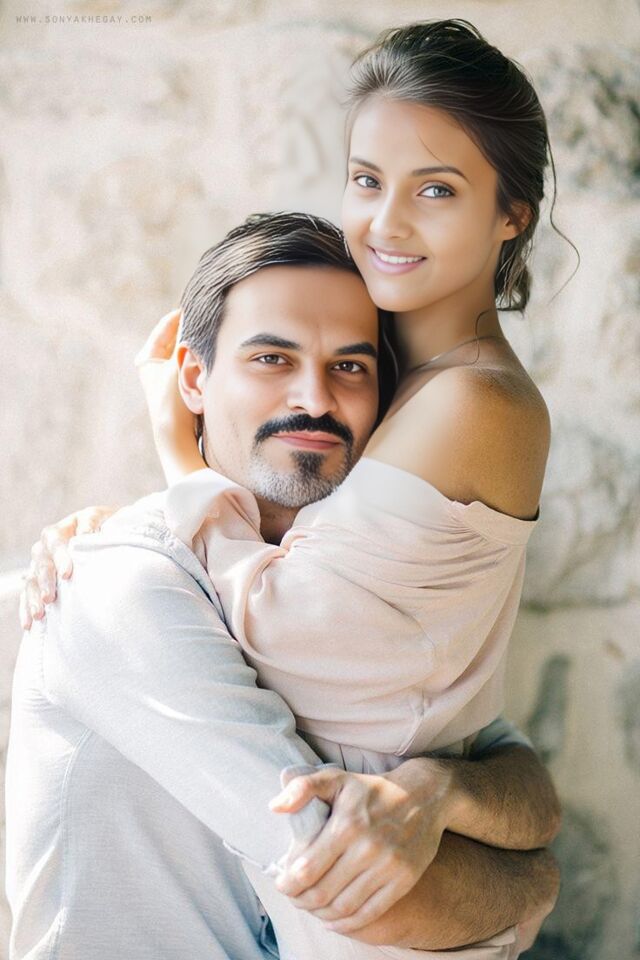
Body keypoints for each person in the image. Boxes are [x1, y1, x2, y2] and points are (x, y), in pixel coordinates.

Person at [14, 15, 564, 957]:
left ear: (512, 213)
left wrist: (179, 461)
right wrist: (530, 873)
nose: (387, 223)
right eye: (367, 181)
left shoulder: (468, 400)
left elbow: (467, 730)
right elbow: (368, 836)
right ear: (195, 376)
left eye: (436, 188)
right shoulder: (125, 583)